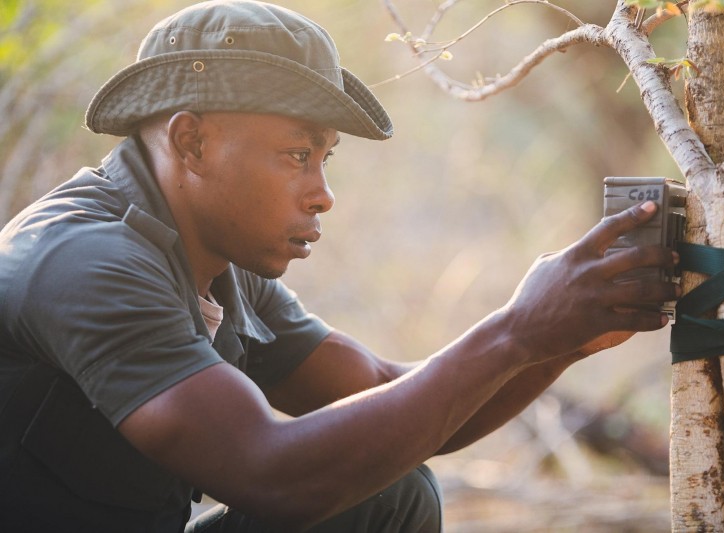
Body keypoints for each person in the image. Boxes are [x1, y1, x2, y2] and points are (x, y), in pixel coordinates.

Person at [0, 1, 680, 532]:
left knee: (390, 492)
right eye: (299, 155)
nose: (322, 192)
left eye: (326, 159)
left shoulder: (221, 261)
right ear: (192, 141)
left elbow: (380, 389)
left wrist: (563, 335)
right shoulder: (87, 261)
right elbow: (273, 472)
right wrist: (517, 331)